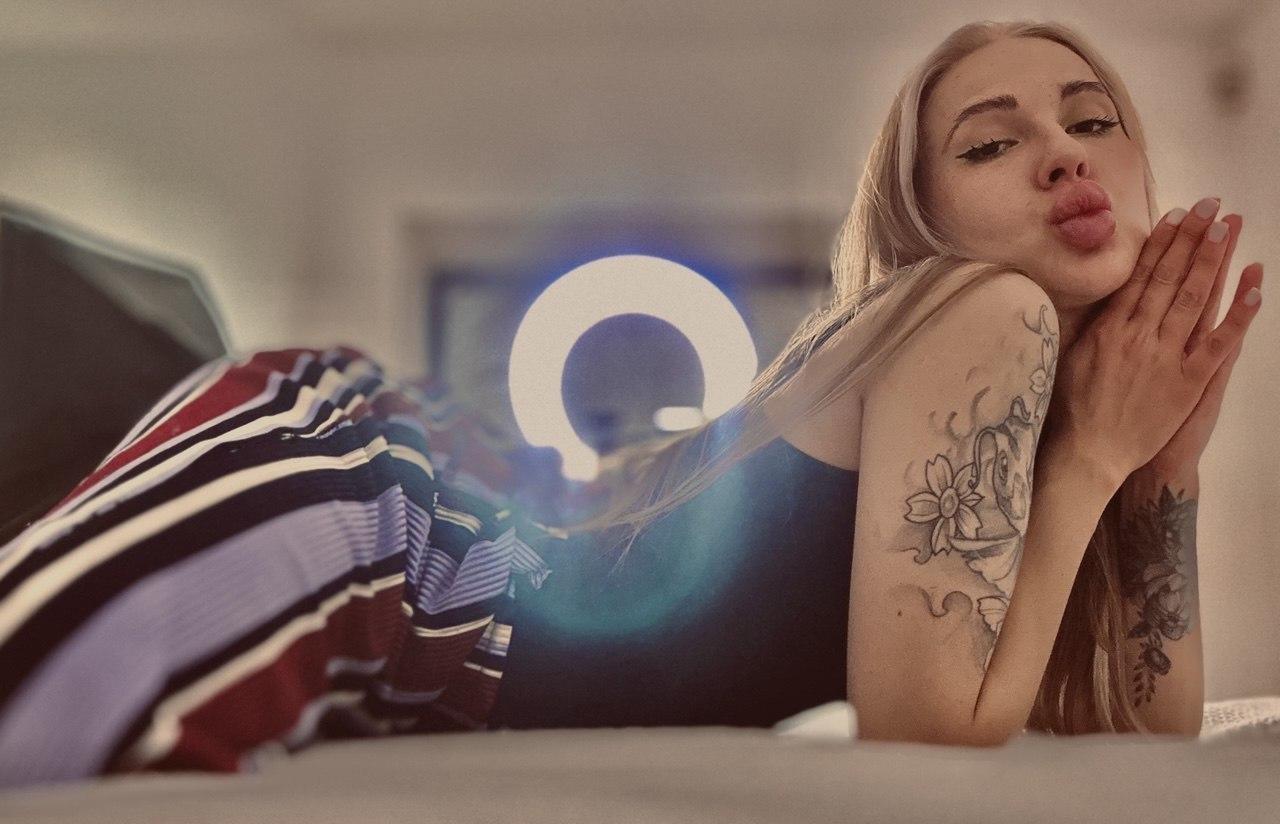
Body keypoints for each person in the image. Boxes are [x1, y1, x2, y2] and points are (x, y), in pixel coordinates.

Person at [0, 18, 1264, 790]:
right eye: (989, 144)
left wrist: (1160, 464)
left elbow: (1138, 735)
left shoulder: (1038, 417)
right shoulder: (983, 309)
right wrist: (1096, 460)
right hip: (383, 530)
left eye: (1091, 119)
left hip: (414, 539)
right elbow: (925, 730)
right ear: (922, 225)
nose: (1061, 151)